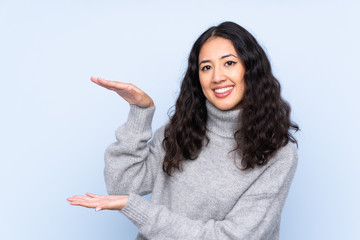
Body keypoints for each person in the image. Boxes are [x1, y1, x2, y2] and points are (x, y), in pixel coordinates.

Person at [67, 21, 299, 240]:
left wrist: (141, 211)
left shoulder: (278, 153)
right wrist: (140, 112)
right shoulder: (182, 129)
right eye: (206, 67)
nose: (217, 77)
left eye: (229, 63)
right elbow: (122, 188)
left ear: (251, 69)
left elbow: (233, 237)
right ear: (197, 77)